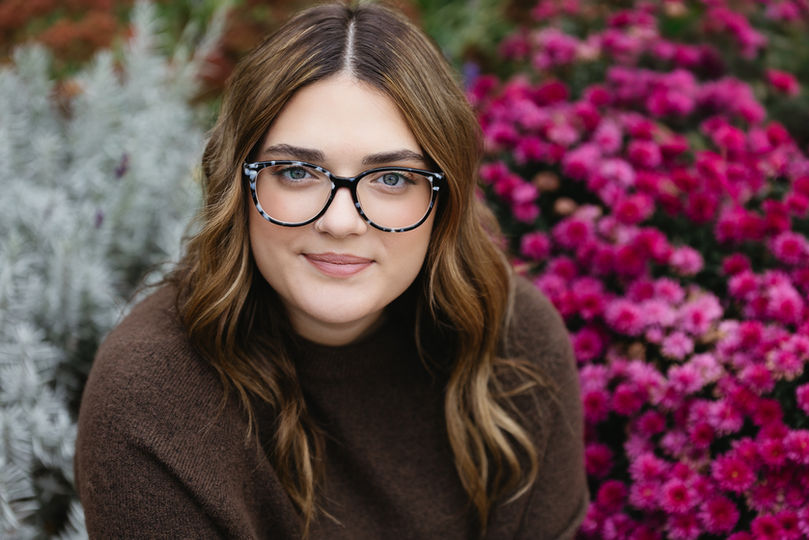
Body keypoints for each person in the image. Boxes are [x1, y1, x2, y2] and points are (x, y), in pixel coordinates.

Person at [74, 2, 588, 538]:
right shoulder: (152, 399)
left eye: (391, 178)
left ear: (444, 199)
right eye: (296, 171)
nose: (341, 221)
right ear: (239, 185)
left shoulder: (515, 343)